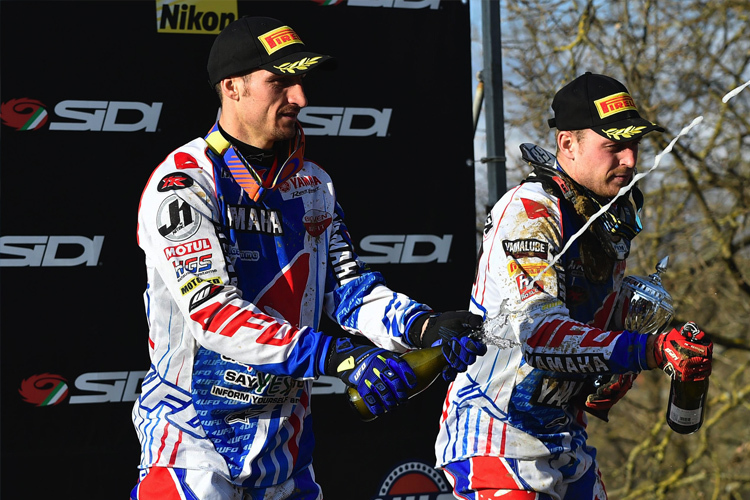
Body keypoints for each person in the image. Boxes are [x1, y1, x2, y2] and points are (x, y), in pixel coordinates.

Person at [130, 16, 486, 500]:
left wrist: (423, 328)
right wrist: (338, 355)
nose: (299, 98)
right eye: (280, 82)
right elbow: (213, 314)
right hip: (192, 437)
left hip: (284, 443)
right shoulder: (184, 183)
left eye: (301, 82)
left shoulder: (313, 185)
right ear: (231, 87)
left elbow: (347, 289)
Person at [434, 72, 714, 499]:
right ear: (568, 144)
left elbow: (590, 313)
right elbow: (540, 335)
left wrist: (644, 342)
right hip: (497, 433)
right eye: (614, 146)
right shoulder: (530, 211)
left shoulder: (606, 213)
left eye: (635, 145)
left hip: (564, 436)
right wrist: (647, 351)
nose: (630, 160)